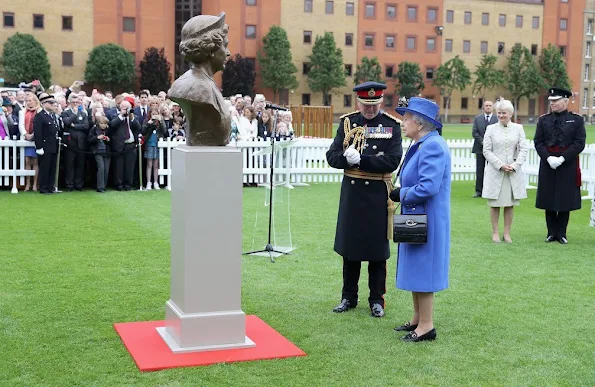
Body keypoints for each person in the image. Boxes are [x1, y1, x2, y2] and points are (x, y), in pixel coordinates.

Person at [326, 81, 403, 318]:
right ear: (358, 102)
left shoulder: (391, 126)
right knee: (351, 249)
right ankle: (348, 296)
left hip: (377, 195)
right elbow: (332, 156)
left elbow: (392, 160)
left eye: (374, 104)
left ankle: (376, 299)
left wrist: (361, 160)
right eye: (365, 105)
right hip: (353, 193)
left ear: (380, 102)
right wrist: (346, 160)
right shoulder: (348, 122)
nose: (370, 109)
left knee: (377, 251)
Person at [390, 97, 451, 342]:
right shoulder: (421, 143)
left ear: (420, 123)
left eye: (406, 119)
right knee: (414, 267)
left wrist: (401, 194)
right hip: (415, 215)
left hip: (427, 217)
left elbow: (428, 187)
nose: (403, 123)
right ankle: (417, 318)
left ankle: (426, 326)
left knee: (424, 270)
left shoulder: (433, 146)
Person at [168, 12, 231, 146]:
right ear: (210, 49)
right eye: (224, 46)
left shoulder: (205, 83)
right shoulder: (197, 87)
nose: (228, 52)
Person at [534, 87, 586, 244]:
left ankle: (562, 233)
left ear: (565, 101)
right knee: (548, 197)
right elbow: (538, 142)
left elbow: (579, 143)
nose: (552, 103)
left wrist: (563, 158)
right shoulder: (544, 120)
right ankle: (551, 232)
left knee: (565, 199)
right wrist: (548, 158)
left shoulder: (576, 120)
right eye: (551, 101)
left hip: (567, 164)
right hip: (548, 163)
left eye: (555, 100)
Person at [482, 99, 528, 243]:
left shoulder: (518, 128)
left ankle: (507, 233)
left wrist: (515, 165)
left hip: (512, 172)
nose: (501, 115)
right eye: (499, 113)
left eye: (504, 113)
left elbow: (523, 149)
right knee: (495, 204)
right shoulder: (491, 129)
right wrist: (500, 165)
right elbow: (486, 150)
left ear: (510, 114)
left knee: (509, 204)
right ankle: (495, 232)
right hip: (496, 171)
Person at [33, 93, 60, 195]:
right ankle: (43, 188)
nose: (53, 105)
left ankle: (50, 187)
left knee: (52, 167)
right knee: (45, 167)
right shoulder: (40, 116)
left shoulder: (52, 116)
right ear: (44, 104)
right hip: (45, 146)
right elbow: (38, 133)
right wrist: (39, 147)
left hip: (53, 145)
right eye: (51, 103)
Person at [472, 100, 497, 198]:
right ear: (483, 107)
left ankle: (492, 191)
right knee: (480, 171)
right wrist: (484, 142)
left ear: (493, 108)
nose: (488, 107)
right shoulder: (477, 118)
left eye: (490, 106)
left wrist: (490, 144)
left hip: (493, 150)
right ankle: (479, 191)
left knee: (493, 171)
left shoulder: (496, 119)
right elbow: (474, 132)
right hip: (480, 148)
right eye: (486, 105)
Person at [142, 107, 168, 190]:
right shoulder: (147, 121)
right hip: (149, 144)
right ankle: (149, 183)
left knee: (156, 165)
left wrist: (161, 121)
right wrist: (149, 123)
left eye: (156, 114)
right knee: (149, 165)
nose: (154, 116)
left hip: (158, 144)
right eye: (153, 114)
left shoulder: (160, 121)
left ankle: (156, 182)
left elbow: (165, 131)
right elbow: (143, 131)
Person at [88, 116, 111, 193]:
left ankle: (104, 186)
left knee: (106, 169)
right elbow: (89, 139)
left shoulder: (108, 130)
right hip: (97, 151)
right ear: (98, 123)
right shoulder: (94, 129)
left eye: (105, 123)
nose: (103, 125)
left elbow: (112, 140)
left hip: (107, 152)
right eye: (102, 123)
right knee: (101, 168)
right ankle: (100, 187)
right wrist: (97, 137)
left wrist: (108, 139)